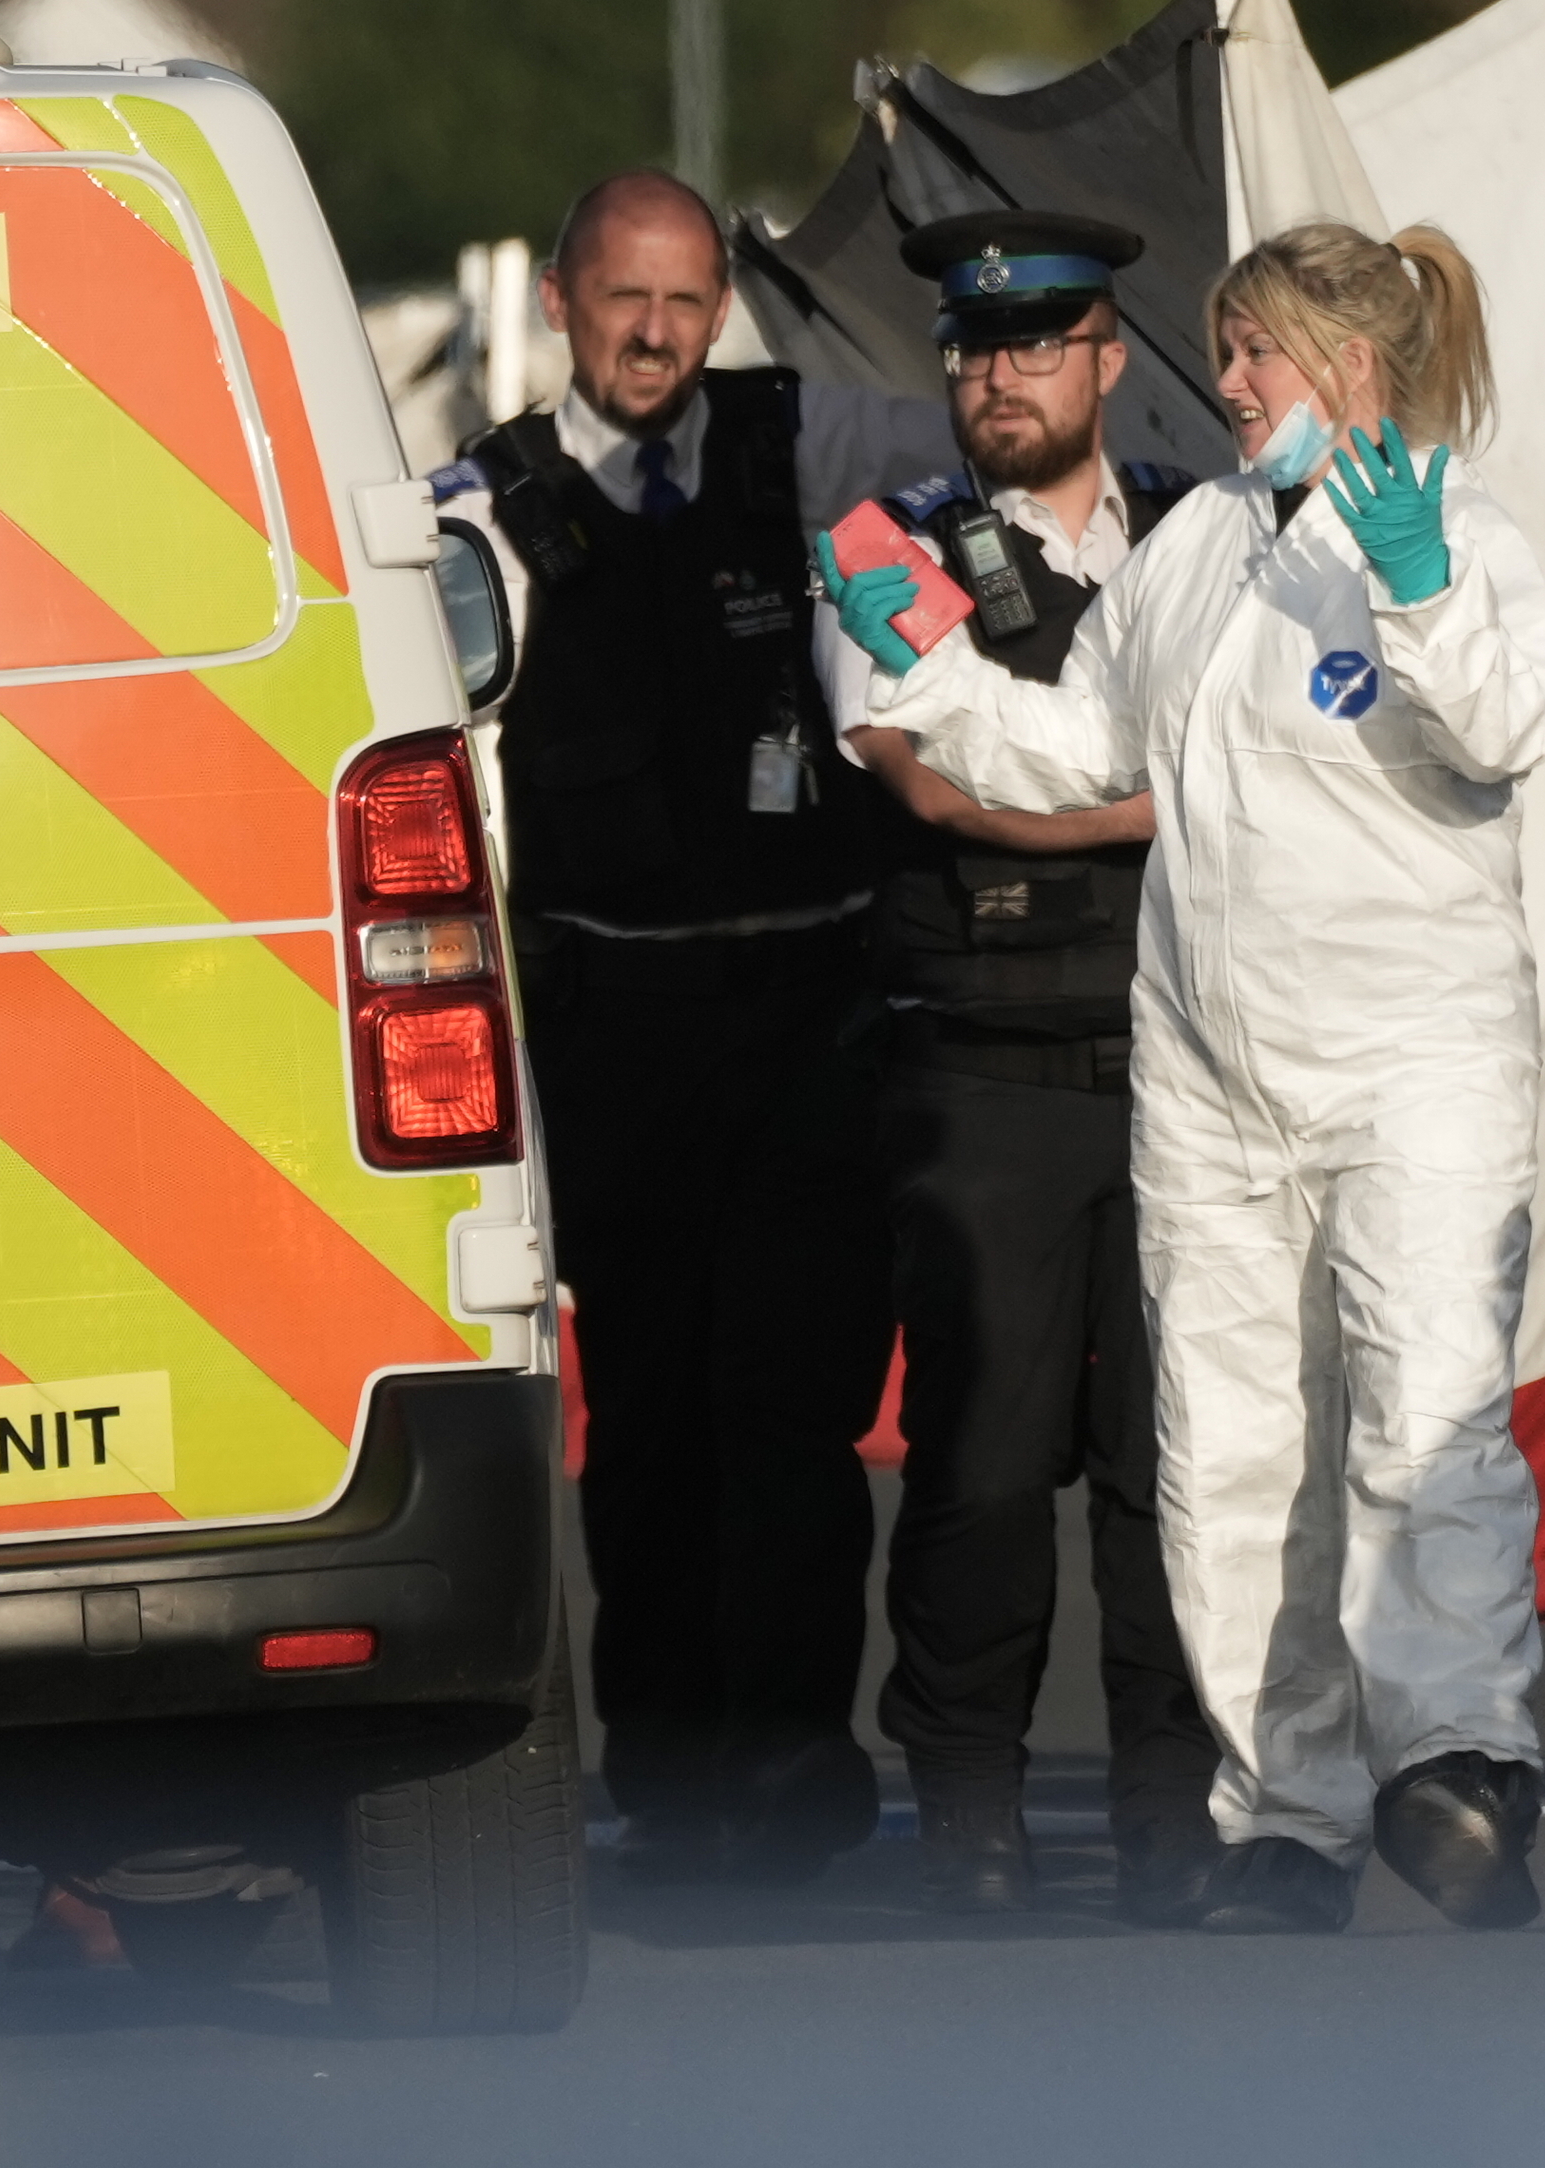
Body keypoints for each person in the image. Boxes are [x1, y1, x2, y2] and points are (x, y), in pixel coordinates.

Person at [824, 220, 1545, 1937]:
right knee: (1229, 1449)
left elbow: (1510, 728)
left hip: (1417, 1060)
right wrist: (930, 670)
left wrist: (1421, 590)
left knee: (1420, 1407)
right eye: (1223, 351)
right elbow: (1084, 742)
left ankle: (1460, 1755)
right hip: (1214, 1071)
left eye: (1255, 353)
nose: (1223, 383)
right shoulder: (1195, 550)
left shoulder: (1458, 529)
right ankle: (1283, 1808)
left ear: (1355, 367)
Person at [434, 169, 958, 1887]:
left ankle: (799, 1749)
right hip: (619, 1036)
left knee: (796, 1405)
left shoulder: (801, 446)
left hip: (806, 1021)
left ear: (721, 303)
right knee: (648, 1410)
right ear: (568, 305)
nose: (656, 333)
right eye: (623, 301)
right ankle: (666, 1762)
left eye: (685, 301)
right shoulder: (485, 511)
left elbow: (991, 437)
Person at [819, 211, 1222, 1924]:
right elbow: (929, 781)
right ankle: (969, 1799)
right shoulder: (886, 543)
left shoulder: (1211, 546)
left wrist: (1127, 795)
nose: (1000, 376)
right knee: (981, 1460)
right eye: (977, 349)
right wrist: (1170, 803)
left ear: (1108, 358)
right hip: (981, 1067)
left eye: (1038, 345)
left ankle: (1173, 1811)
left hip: (1184, 1060)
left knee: (1173, 1460)